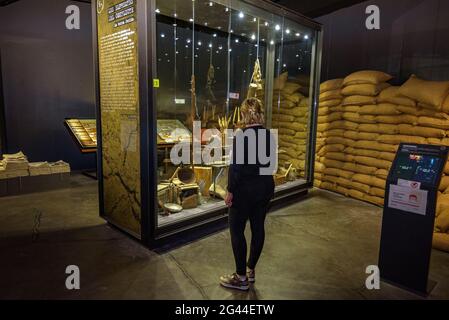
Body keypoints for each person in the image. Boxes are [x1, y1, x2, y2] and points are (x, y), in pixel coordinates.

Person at [219, 97, 276, 291]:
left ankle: (240, 277)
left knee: (237, 231)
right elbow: (270, 164)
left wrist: (229, 191)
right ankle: (251, 270)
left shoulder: (242, 135)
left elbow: (236, 169)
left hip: (244, 192)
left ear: (244, 114)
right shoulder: (269, 135)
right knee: (258, 228)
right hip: (265, 190)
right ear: (260, 113)